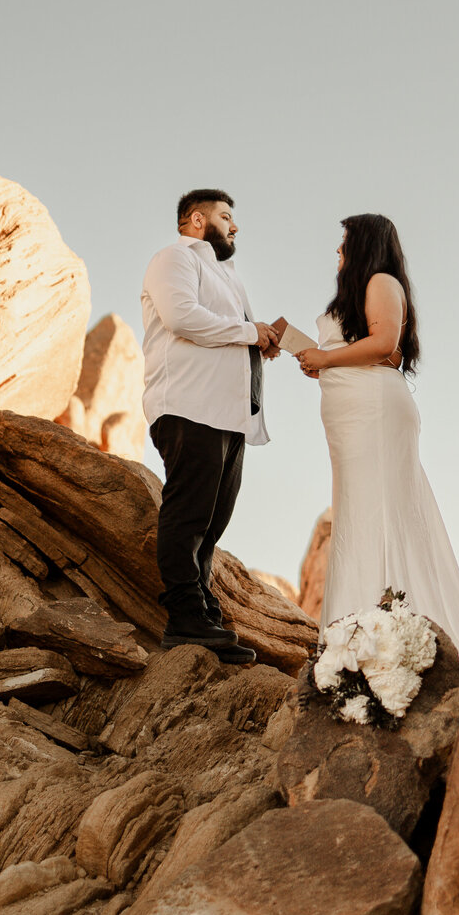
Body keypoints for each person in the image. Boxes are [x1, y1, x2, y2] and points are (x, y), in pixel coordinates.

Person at [295, 213, 459, 672]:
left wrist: (326, 356)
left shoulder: (381, 280)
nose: (338, 253)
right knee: (357, 511)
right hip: (351, 418)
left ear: (364, 244)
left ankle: (385, 628)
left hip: (374, 414)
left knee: (377, 510)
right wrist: (324, 363)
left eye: (344, 244)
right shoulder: (360, 292)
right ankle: (354, 629)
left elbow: (384, 344)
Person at [142, 189, 280, 662]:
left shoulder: (227, 276)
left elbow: (222, 329)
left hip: (228, 415)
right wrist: (248, 332)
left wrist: (256, 339)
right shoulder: (175, 257)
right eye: (226, 217)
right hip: (187, 405)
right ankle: (184, 617)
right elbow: (182, 317)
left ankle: (204, 615)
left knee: (214, 521)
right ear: (196, 220)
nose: (235, 226)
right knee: (189, 513)